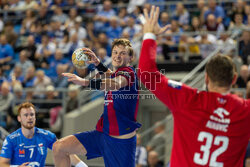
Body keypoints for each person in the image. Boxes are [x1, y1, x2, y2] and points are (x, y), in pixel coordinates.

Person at [138, 6, 250, 167]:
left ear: (206, 78)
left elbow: (146, 73)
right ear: (234, 79)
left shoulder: (187, 98)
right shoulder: (245, 111)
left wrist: (149, 34)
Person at [53, 38, 141, 167]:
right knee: (59, 147)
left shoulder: (129, 73)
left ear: (131, 58)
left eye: (122, 53)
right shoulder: (117, 73)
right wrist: (97, 63)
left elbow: (115, 84)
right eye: (115, 52)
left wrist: (85, 82)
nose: (117, 56)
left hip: (121, 143)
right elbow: (111, 76)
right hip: (102, 135)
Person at [0, 102, 87, 167]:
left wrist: (82, 166)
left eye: (32, 114)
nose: (29, 117)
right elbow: (2, 164)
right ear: (19, 118)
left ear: (35, 117)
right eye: (26, 115)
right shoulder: (11, 139)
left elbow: (64, 151)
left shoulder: (46, 135)